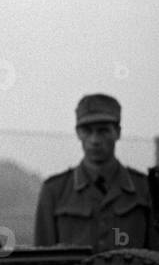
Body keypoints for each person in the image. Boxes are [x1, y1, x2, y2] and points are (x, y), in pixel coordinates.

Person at [35, 93, 156, 251]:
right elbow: (43, 263)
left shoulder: (145, 189)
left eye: (103, 131)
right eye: (87, 131)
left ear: (117, 132)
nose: (94, 140)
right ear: (78, 133)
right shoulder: (55, 191)